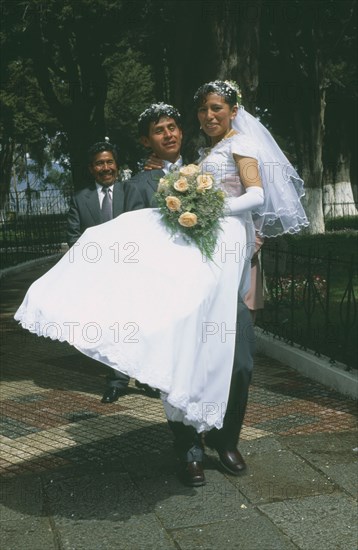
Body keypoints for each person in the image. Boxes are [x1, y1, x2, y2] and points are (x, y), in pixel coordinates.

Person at [14, 81, 308, 487]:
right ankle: (188, 450)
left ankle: (226, 439)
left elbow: (249, 197)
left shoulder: (223, 155)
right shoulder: (164, 174)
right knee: (178, 359)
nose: (206, 117)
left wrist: (211, 209)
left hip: (222, 277)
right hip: (179, 285)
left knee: (238, 361)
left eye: (215, 109)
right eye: (202, 110)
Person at [66, 141, 156, 403]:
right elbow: (74, 238)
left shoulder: (132, 191)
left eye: (109, 162)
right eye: (99, 163)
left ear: (116, 165)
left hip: (132, 270)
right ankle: (117, 380)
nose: (105, 168)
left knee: (139, 325)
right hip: (100, 276)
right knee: (112, 329)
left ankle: (146, 377)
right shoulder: (80, 199)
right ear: (91, 168)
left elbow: (142, 227)